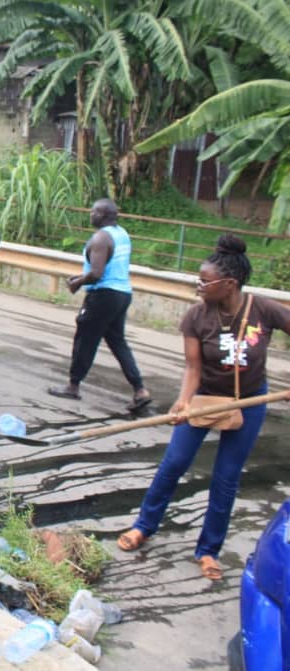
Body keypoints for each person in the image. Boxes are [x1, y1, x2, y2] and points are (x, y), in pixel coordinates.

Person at [117, 235, 290, 581]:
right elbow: (193, 368)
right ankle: (144, 526)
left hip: (248, 402)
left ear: (229, 284)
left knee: (225, 478)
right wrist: (183, 401)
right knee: (174, 464)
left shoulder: (263, 309)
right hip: (204, 398)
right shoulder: (196, 316)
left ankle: (208, 550)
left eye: (204, 281)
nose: (198, 285)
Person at [48, 198, 152, 410]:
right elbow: (108, 266)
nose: (90, 214)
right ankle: (140, 389)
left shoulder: (100, 239)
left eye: (93, 211)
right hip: (122, 293)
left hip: (103, 296)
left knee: (85, 338)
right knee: (117, 342)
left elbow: (96, 274)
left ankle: (73, 385)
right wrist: (81, 276)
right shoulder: (121, 234)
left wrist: (78, 282)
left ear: (104, 215)